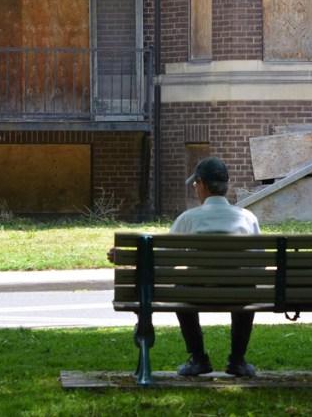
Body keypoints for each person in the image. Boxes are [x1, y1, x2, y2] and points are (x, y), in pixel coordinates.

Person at [108, 156, 260, 378]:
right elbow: (260, 264)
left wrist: (124, 255)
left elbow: (158, 257)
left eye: (196, 184)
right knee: (248, 285)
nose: (196, 189)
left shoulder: (189, 218)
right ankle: (237, 361)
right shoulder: (247, 218)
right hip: (238, 295)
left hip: (195, 294)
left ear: (202, 183)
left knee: (181, 285)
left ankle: (198, 359)